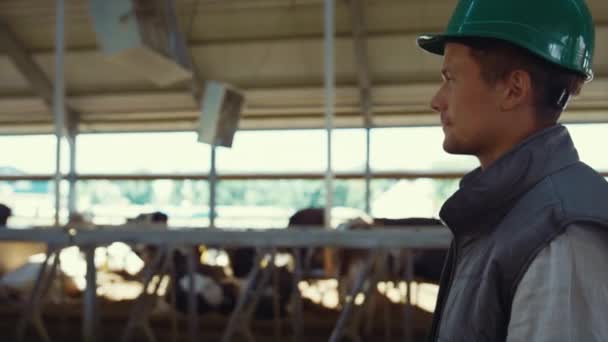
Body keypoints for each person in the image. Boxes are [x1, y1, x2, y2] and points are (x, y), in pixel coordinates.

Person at [417, 0, 608, 341]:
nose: (437, 100)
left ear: (513, 89)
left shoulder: (561, 236)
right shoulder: (507, 212)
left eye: (450, 78)